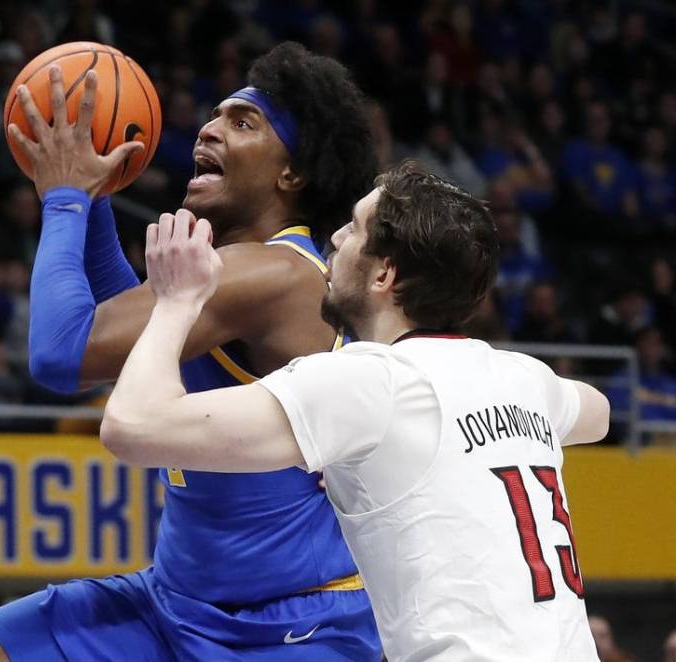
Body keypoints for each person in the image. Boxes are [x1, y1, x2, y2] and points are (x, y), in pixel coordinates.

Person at [0, 42, 380, 661]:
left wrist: (64, 197)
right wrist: (99, 191)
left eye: (243, 123)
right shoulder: (222, 275)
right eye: (215, 114)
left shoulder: (277, 276)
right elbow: (118, 322)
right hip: (172, 603)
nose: (210, 129)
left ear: (290, 174)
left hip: (292, 624)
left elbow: (62, 355)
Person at [99, 162, 609, 660]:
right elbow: (599, 412)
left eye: (355, 228)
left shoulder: (369, 381)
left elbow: (132, 426)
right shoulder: (522, 378)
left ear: (384, 273)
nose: (336, 239)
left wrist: (175, 302)